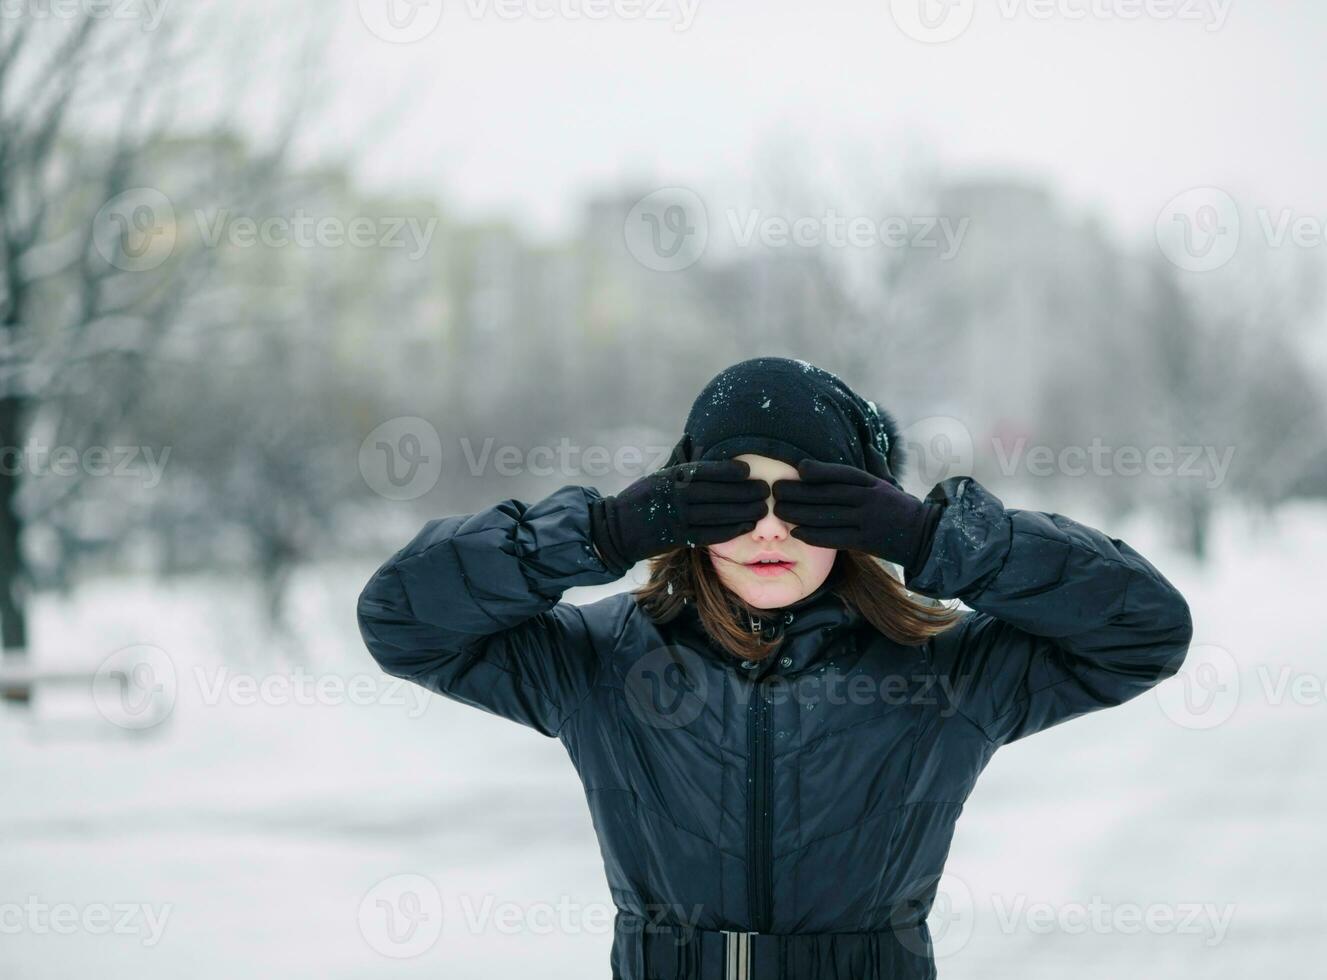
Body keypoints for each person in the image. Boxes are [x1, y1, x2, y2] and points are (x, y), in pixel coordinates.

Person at [356, 356, 1194, 980]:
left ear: (862, 513)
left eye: (804, 501)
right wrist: (599, 535)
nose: (768, 531)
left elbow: (1144, 631)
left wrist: (936, 539)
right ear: (681, 507)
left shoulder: (943, 670)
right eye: (733, 497)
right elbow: (403, 621)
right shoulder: (603, 659)